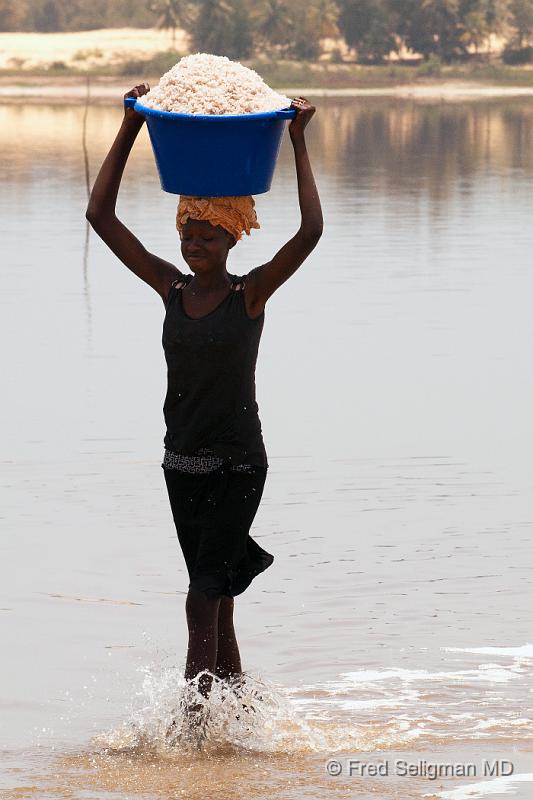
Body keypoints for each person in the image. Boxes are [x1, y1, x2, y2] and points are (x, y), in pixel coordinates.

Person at [85, 82, 323, 735]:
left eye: (209, 237)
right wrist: (130, 124)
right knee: (216, 601)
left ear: (231, 238)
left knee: (199, 598)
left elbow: (310, 231)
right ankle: (241, 716)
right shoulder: (169, 288)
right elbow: (100, 216)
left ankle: (191, 734)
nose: (195, 247)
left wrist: (297, 141)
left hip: (238, 466)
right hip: (180, 465)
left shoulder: (249, 295)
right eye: (189, 235)